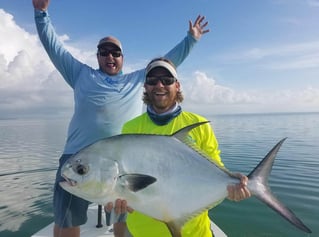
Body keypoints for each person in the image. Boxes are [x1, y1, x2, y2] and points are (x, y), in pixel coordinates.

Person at [32, 0, 210, 236]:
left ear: (123, 58)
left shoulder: (137, 80)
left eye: (116, 52)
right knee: (67, 221)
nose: (110, 56)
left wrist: (191, 39)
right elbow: (55, 49)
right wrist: (41, 13)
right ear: (97, 56)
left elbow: (167, 65)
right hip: (77, 160)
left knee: (122, 221)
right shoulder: (79, 74)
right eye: (104, 52)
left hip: (124, 164)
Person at [120, 57, 251, 237]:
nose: (159, 85)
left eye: (167, 80)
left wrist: (231, 186)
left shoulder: (200, 125)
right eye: (152, 80)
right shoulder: (130, 128)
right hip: (142, 233)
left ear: (177, 85)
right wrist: (114, 197)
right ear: (145, 86)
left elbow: (217, 173)